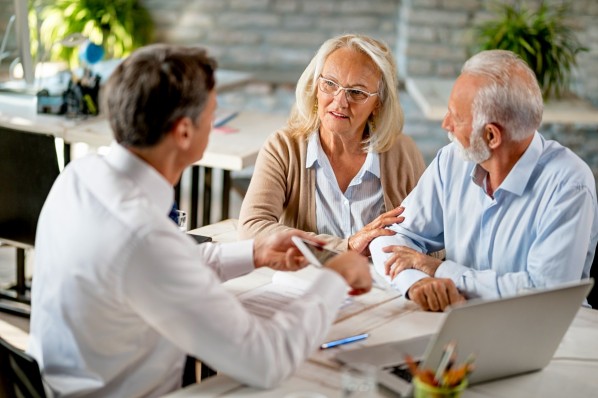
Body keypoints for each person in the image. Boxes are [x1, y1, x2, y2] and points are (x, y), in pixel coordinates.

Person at [27, 44, 373, 397]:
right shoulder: (144, 235)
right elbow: (265, 360)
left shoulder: (78, 176)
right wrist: (334, 278)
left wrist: (254, 252)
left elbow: (163, 266)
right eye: (212, 112)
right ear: (183, 133)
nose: (216, 118)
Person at [370, 49, 598, 312]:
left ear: (491, 136)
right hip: (460, 322)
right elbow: (390, 235)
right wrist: (416, 282)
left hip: (549, 336)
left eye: (455, 117)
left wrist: (442, 270)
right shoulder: (451, 160)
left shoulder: (569, 184)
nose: (446, 124)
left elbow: (544, 294)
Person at [238, 34, 426, 254]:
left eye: (357, 92)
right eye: (329, 84)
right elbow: (252, 228)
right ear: (315, 86)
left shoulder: (403, 152)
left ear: (378, 104)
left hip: (381, 285)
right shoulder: (283, 148)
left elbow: (432, 240)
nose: (340, 102)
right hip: (307, 281)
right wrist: (345, 247)